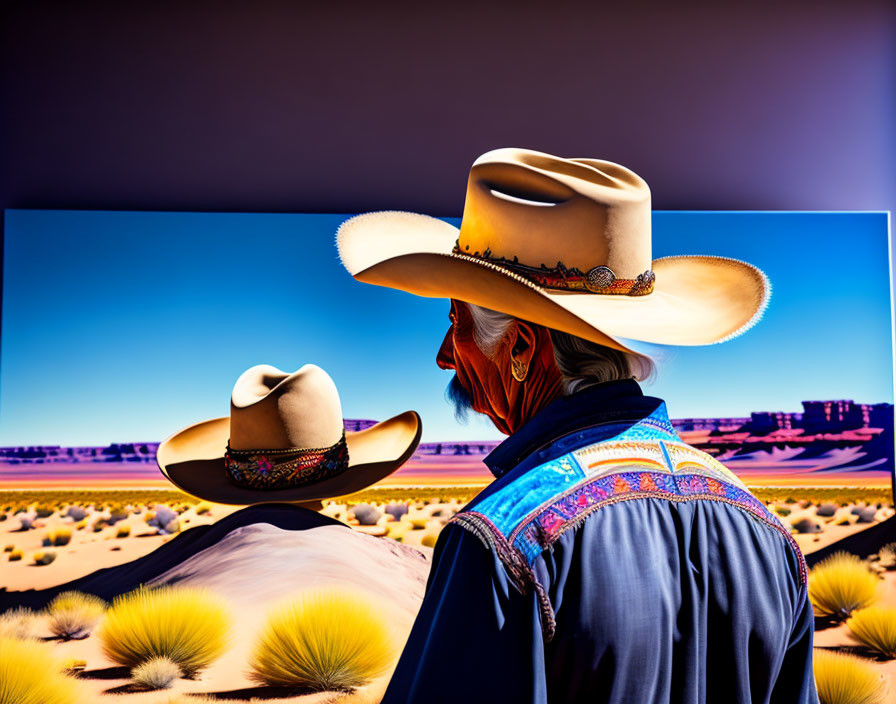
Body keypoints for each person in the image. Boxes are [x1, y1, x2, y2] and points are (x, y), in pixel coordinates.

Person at [337, 148, 817, 703]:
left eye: (455, 322)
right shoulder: (765, 529)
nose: (446, 356)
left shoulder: (505, 540)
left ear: (520, 347)